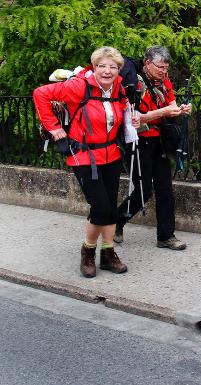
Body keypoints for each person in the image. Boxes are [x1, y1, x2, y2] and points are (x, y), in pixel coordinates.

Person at [34, 46, 138, 278]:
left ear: (119, 69)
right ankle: (88, 252)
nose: (107, 71)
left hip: (111, 153)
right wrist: (54, 127)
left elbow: (118, 112)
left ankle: (108, 254)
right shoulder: (78, 86)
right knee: (100, 207)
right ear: (94, 67)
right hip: (83, 156)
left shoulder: (119, 88)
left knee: (110, 206)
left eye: (113, 67)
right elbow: (41, 93)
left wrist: (132, 121)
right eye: (102, 66)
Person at [113, 46, 191, 250]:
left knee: (165, 189)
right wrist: (164, 111)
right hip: (139, 141)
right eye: (160, 67)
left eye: (166, 67)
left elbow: (171, 105)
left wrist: (180, 110)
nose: (164, 71)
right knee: (143, 190)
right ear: (148, 63)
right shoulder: (132, 83)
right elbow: (134, 118)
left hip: (160, 141)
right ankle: (117, 221)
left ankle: (166, 236)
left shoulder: (164, 81)